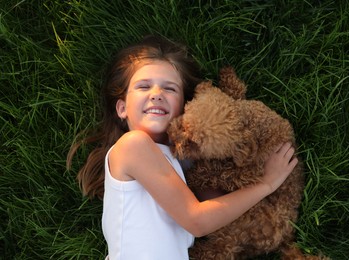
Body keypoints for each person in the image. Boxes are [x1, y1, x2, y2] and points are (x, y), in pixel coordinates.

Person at [67, 35, 298, 260]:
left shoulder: (179, 163)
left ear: (183, 107)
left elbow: (213, 210)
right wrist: (266, 184)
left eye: (169, 89)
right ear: (122, 108)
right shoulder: (132, 145)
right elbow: (198, 221)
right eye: (144, 86)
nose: (156, 94)